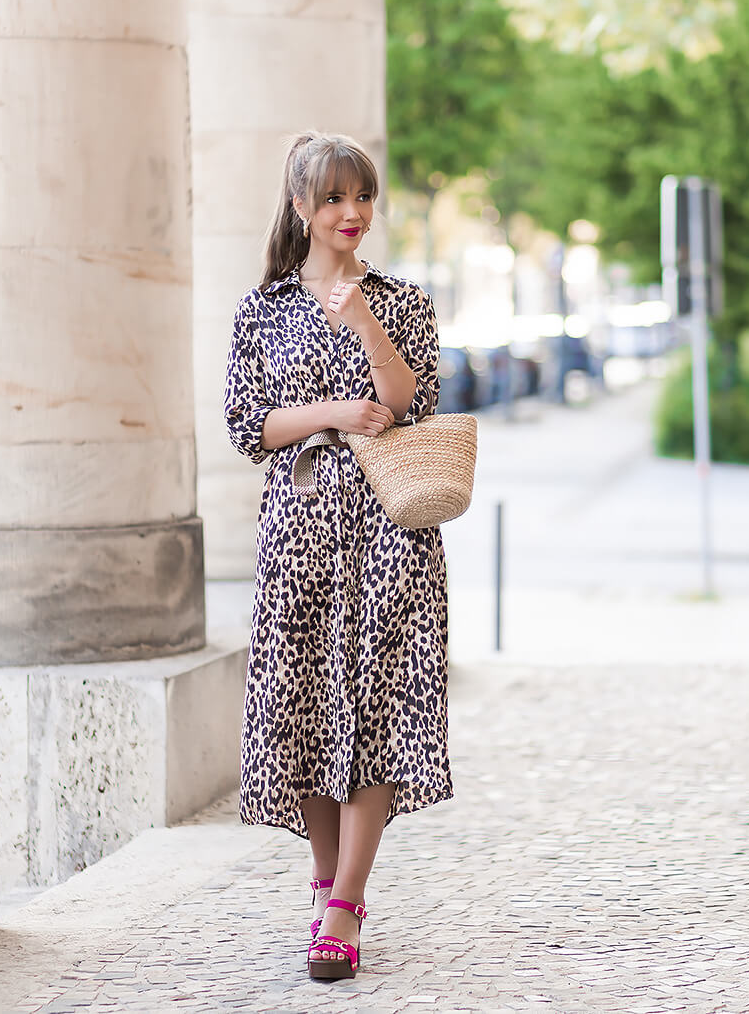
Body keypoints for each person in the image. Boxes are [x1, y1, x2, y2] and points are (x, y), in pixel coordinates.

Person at [223, 132, 452, 981]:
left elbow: (410, 399)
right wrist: (330, 408)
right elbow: (251, 424)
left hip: (391, 530)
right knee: (311, 704)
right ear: (300, 208)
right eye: (332, 199)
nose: (351, 213)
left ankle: (348, 904)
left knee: (383, 705)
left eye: (361, 196)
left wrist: (361, 322)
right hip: (302, 524)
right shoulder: (264, 310)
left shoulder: (402, 300)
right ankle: (325, 886)